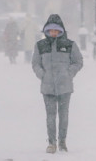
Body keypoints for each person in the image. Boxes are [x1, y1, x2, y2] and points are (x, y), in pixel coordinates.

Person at [32, 14, 83, 154]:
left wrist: (69, 73)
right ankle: (51, 143)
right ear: (46, 30)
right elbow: (35, 63)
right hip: (47, 87)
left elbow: (78, 61)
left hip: (65, 87)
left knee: (64, 115)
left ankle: (62, 142)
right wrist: (42, 75)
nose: (53, 33)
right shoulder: (40, 45)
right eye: (50, 30)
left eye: (56, 30)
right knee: (50, 116)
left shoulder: (69, 44)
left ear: (61, 30)